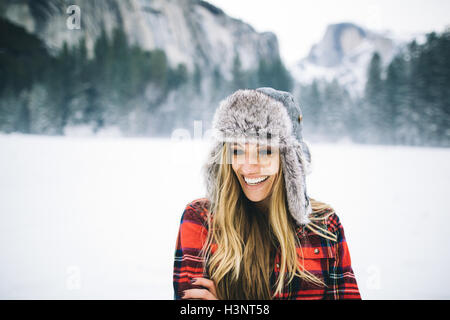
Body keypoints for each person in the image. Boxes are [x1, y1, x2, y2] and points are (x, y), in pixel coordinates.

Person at [173, 87, 361, 300]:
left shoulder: (325, 226)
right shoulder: (200, 221)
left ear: (289, 162)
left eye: (265, 151)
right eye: (237, 150)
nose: (249, 166)